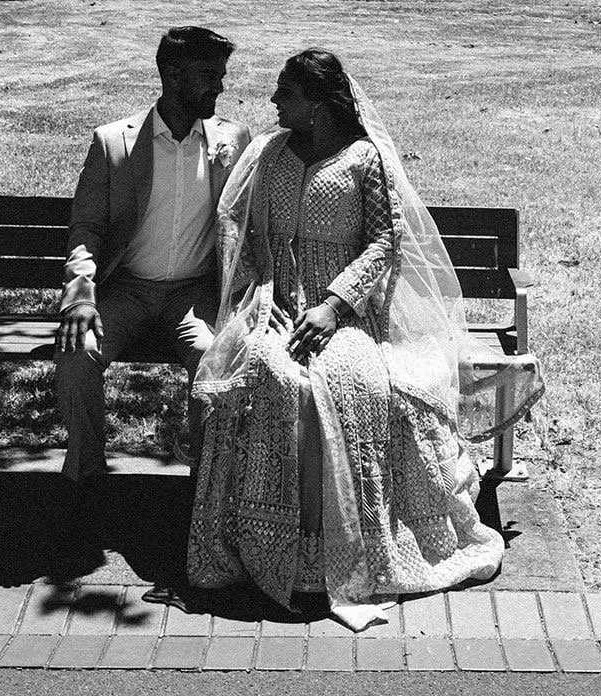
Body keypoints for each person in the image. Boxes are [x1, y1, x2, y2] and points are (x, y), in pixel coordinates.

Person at [187, 48, 536, 609]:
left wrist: (332, 305)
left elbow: (384, 242)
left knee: (344, 384)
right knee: (269, 373)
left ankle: (341, 549)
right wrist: (267, 295)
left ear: (320, 105)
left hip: (347, 311)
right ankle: (266, 544)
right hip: (275, 301)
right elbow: (247, 232)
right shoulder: (271, 154)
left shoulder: (363, 159)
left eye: (287, 92)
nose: (274, 100)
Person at [54, 26, 251, 490]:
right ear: (171, 73)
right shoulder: (114, 143)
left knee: (210, 358)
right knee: (77, 354)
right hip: (126, 290)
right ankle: (86, 476)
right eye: (209, 75)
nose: (220, 87)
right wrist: (80, 297)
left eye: (222, 75)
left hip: (192, 295)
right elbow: (87, 229)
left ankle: (206, 490)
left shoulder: (233, 140)